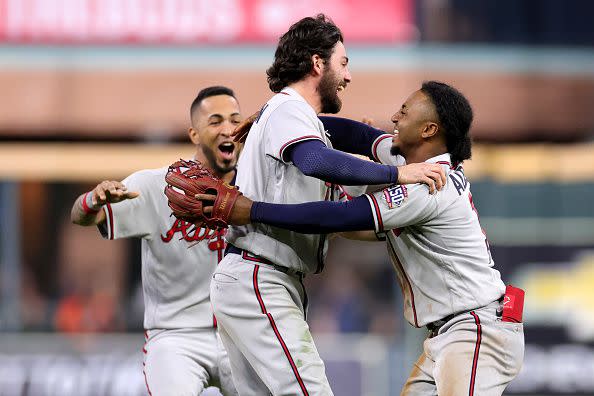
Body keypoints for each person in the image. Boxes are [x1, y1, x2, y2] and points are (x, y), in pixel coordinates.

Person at [204, 81, 525, 396]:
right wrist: (272, 121)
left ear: (428, 130)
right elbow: (358, 135)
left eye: (404, 111)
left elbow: (344, 218)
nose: (396, 118)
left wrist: (253, 210)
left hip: (476, 330)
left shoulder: (430, 183)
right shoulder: (410, 162)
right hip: (453, 331)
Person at [208, 14, 447, 396]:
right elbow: (315, 160)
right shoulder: (289, 110)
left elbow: (340, 142)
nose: (348, 76)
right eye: (343, 62)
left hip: (257, 279)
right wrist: (397, 176)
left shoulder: (296, 116)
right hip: (260, 276)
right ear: (318, 63)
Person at [71, 86, 241, 396]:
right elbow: (81, 216)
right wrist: (91, 201)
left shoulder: (259, 186)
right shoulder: (154, 186)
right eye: (215, 121)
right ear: (194, 133)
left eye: (234, 119)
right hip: (177, 336)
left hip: (244, 334)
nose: (228, 128)